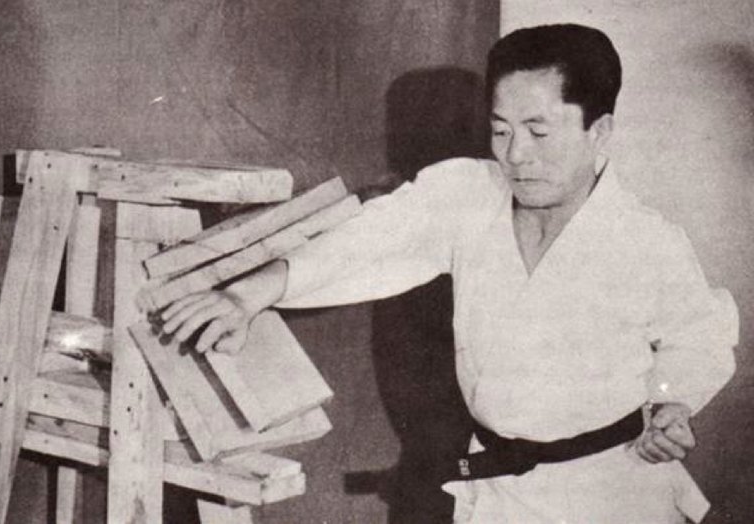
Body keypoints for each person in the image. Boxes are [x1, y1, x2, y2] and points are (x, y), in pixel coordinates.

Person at [158, 24, 738, 523]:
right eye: (501, 130)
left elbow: (699, 337)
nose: (516, 155)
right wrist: (249, 294)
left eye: (539, 132)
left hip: (609, 493)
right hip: (497, 492)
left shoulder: (645, 240)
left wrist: (670, 402)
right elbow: (368, 242)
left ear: (600, 132)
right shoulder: (468, 194)